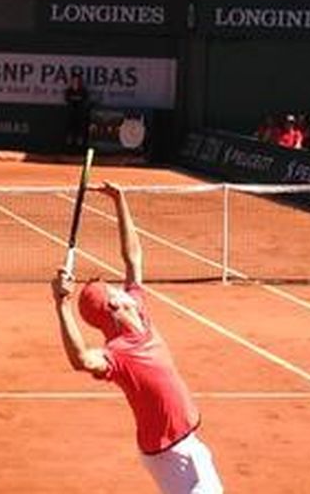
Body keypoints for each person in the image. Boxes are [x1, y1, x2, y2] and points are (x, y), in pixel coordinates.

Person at [51, 183, 223, 494]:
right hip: (170, 454)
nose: (123, 287)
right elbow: (81, 360)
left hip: (190, 446)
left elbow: (133, 258)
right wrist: (61, 305)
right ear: (114, 306)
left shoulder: (140, 312)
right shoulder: (118, 354)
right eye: (115, 289)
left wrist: (121, 202)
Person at [63, 73, 90, 150]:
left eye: (77, 81)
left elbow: (85, 100)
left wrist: (77, 100)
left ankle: (80, 148)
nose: (75, 82)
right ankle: (68, 148)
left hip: (80, 114)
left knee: (80, 132)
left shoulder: (83, 91)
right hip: (70, 114)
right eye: (74, 81)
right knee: (70, 131)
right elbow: (67, 99)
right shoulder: (69, 91)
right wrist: (76, 100)